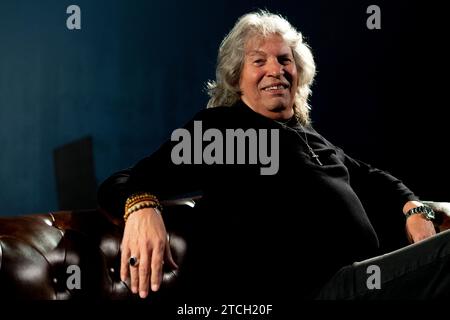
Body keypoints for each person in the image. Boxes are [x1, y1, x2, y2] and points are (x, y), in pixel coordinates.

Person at [97, 10, 450, 302]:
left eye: (285, 60)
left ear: (299, 74)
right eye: (258, 61)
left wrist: (414, 209)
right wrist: (142, 206)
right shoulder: (222, 130)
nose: (275, 70)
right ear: (237, 78)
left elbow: (376, 180)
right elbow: (121, 181)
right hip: (314, 294)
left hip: (369, 279)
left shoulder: (312, 138)